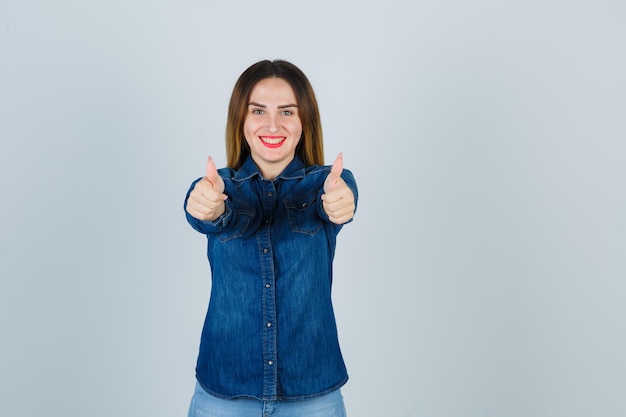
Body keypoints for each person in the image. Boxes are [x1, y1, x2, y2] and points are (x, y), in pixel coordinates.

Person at [184, 59, 358, 417]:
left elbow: (339, 200)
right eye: (258, 110)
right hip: (224, 393)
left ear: (304, 121)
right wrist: (210, 209)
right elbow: (205, 212)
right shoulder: (219, 187)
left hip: (313, 395)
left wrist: (342, 201)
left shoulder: (327, 185)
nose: (273, 124)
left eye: (288, 112)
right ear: (241, 121)